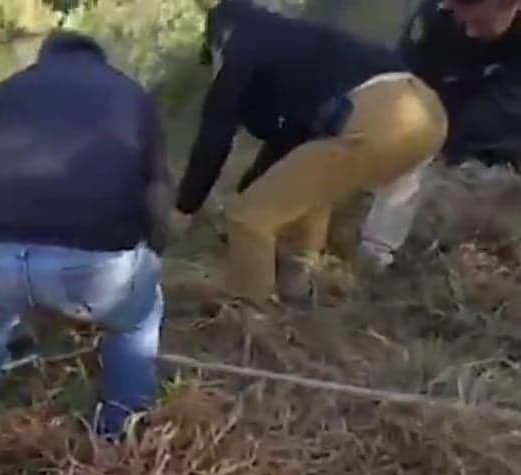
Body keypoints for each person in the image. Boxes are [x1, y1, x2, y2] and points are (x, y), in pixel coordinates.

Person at [0, 31, 172, 465]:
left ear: (44, 58)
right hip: (91, 267)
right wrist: (154, 251)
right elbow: (158, 190)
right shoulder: (131, 94)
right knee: (137, 322)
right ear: (100, 58)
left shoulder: (7, 90)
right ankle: (120, 448)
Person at [168, 0, 449, 303]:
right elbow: (288, 151)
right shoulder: (290, 46)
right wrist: (250, 187)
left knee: (247, 219)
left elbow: (215, 134)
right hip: (429, 115)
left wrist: (185, 208)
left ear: (216, 41)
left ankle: (248, 315)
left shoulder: (238, 45)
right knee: (310, 196)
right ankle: (304, 291)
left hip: (383, 114)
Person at [400, 0, 521, 170]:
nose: (470, 32)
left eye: (479, 23)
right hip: (435, 147)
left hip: (499, 156)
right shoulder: (434, 18)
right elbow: (404, 80)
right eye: (462, 21)